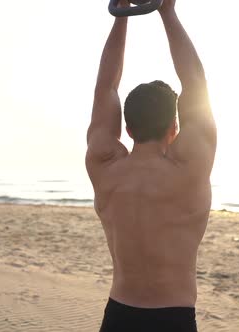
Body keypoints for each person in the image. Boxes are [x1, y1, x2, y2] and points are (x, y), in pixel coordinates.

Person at [86, 0, 216, 330]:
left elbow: (106, 89)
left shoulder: (105, 166)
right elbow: (195, 85)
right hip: (173, 319)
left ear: (127, 129)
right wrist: (167, 11)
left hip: (119, 316)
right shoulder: (188, 168)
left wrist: (120, 15)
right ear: (174, 130)